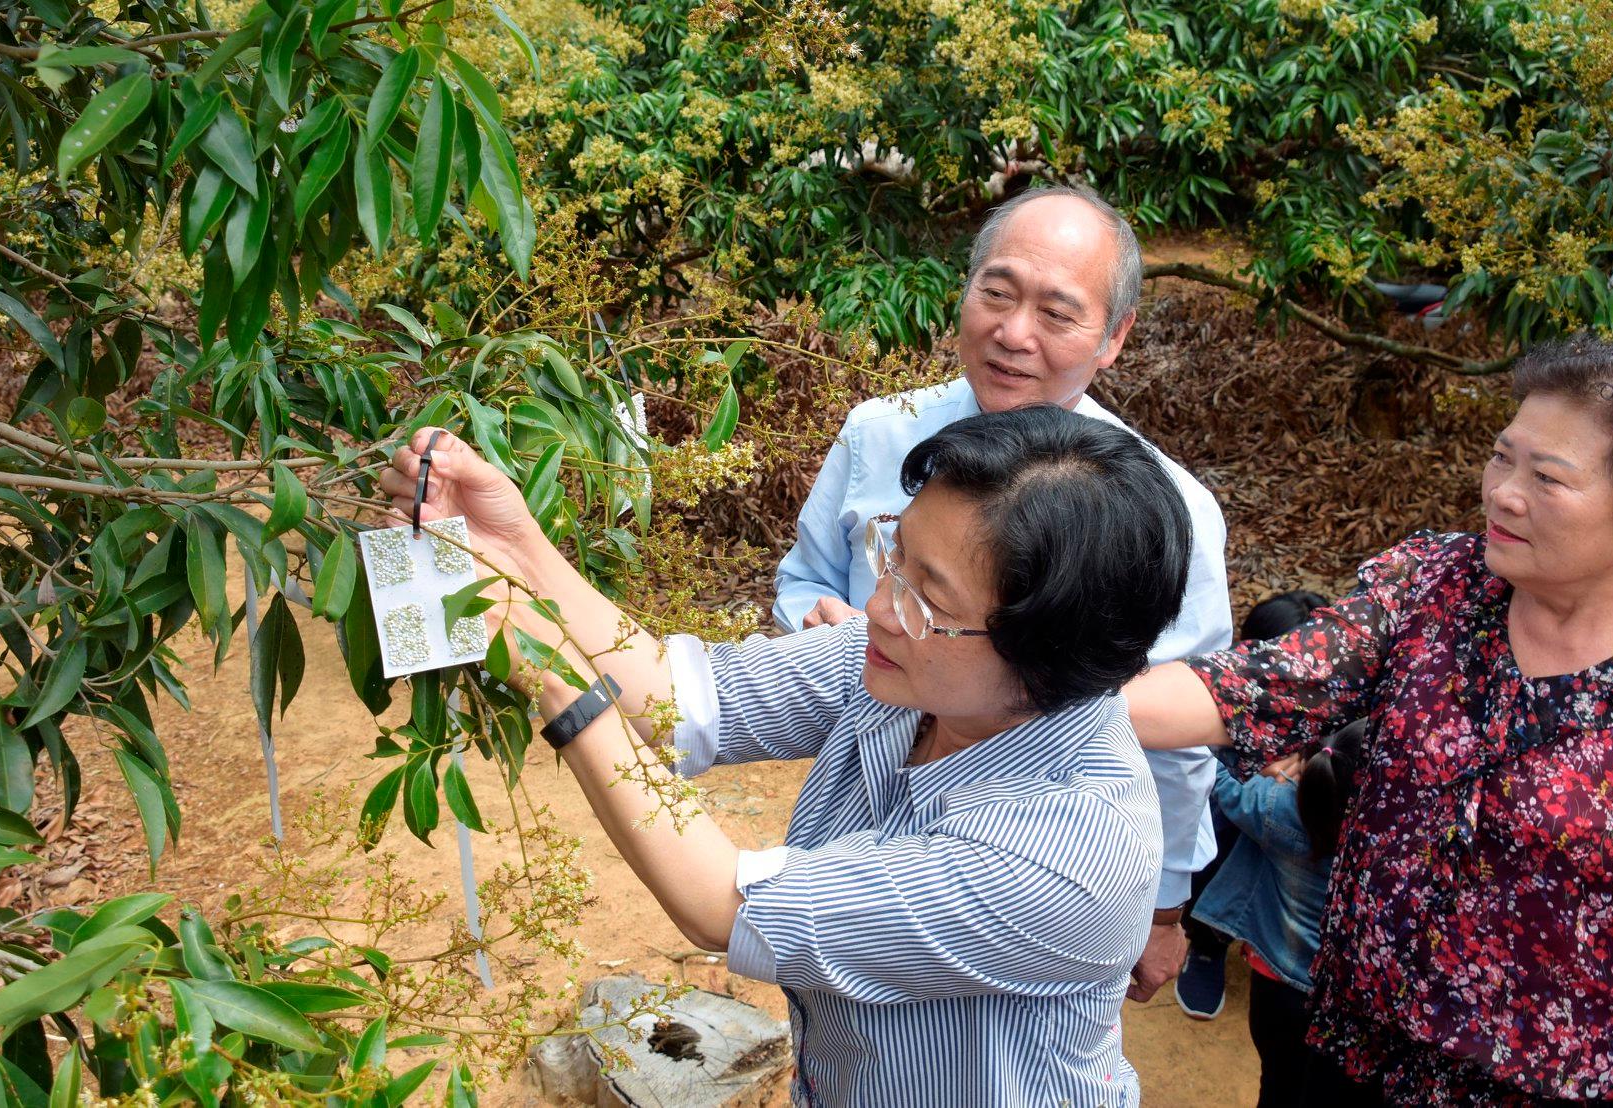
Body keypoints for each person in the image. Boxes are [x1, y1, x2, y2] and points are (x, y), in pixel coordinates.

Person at [381, 406, 1194, 1105]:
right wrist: (516, 544)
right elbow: (673, 699)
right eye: (894, 557)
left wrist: (556, 679)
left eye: (927, 596)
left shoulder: (1067, 855)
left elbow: (725, 904)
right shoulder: (903, 665)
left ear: (1046, 655)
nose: (881, 604)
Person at [1124, 334, 1613, 1106]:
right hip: (1355, 1059)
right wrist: (1042, 699)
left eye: (1548, 477)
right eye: (1502, 458)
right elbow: (1255, 687)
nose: (1504, 493)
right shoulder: (1437, 585)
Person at [773, 186, 1235, 996]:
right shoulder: (878, 433)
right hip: (858, 820)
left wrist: (1165, 909)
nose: (1014, 334)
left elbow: (1179, 728)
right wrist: (818, 626)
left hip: (1028, 882)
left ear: (1115, 336)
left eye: (1057, 313)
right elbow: (804, 577)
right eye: (997, 292)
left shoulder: (1170, 515)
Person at [1189, 720, 1366, 1108]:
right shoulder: (1391, 843)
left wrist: (1259, 759)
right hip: (1349, 1004)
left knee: (1276, 1082)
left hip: (1278, 989)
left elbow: (1219, 779)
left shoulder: (1277, 808)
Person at [1177, 590, 1329, 1020]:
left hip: (1285, 825)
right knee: (1221, 826)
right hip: (1241, 807)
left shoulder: (1335, 710)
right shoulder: (1221, 694)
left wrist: (1306, 766)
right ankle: (1206, 940)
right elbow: (1206, 768)